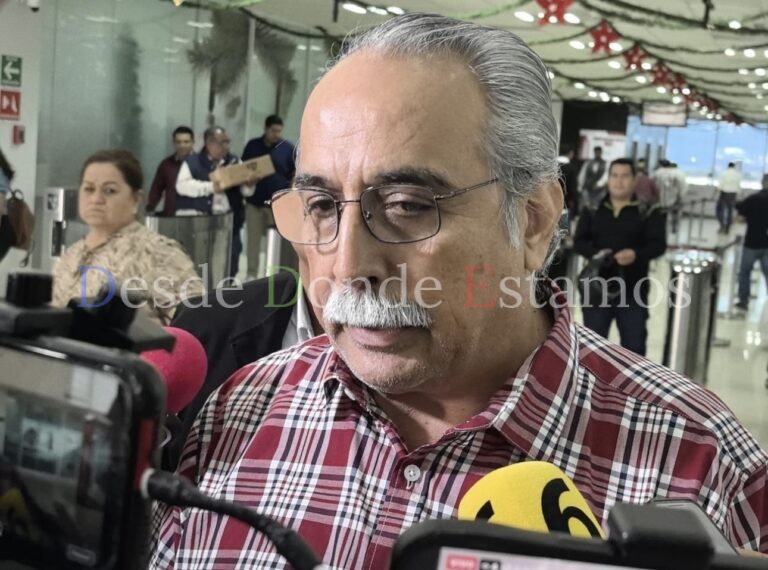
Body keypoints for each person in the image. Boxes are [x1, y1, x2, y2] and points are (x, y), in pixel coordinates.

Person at [152, 15, 768, 568]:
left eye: (407, 205)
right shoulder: (240, 411)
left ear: (533, 221)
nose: (349, 265)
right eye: (320, 205)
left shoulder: (701, 467)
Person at [52, 150, 203, 324]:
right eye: (89, 189)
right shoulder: (71, 255)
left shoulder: (156, 251)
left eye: (109, 190)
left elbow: (197, 321)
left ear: (136, 199)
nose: (96, 199)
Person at [574, 158, 666, 356]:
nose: (619, 181)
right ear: (608, 178)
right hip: (597, 289)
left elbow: (658, 245)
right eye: (614, 175)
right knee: (591, 350)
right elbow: (579, 241)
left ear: (634, 180)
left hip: (633, 289)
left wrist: (636, 255)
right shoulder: (592, 207)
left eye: (625, 176)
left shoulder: (648, 210)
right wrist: (597, 255)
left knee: (634, 348)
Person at [176, 126, 256, 278]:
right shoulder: (193, 162)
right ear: (209, 143)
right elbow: (181, 186)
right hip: (203, 221)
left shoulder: (235, 161)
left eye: (227, 142)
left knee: (230, 261)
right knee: (200, 262)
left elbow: (246, 192)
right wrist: (210, 187)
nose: (226, 146)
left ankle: (226, 289)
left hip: (230, 221)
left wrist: (249, 184)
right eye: (222, 142)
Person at [241, 115, 296, 279]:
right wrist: (247, 179)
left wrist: (291, 193)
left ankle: (273, 276)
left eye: (279, 131)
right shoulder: (253, 146)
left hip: (277, 205)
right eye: (273, 131)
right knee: (253, 242)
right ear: (266, 129)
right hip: (255, 203)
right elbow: (243, 169)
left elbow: (294, 173)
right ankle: (251, 275)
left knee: (277, 241)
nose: (276, 134)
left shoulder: (287, 148)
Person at [735, 173, 768, 311]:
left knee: (744, 273)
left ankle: (743, 302)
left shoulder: (752, 199)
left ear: (762, 182)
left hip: (751, 243)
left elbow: (739, 219)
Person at [146, 126, 195, 216]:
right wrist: (150, 207)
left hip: (196, 216)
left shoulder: (202, 164)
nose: (182, 145)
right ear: (173, 143)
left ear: (192, 142)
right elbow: (156, 189)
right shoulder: (166, 165)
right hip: (171, 216)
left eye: (186, 142)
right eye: (178, 142)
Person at [653, 159, 686, 233]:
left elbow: (652, 184)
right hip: (674, 198)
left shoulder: (657, 173)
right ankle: (674, 227)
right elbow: (682, 187)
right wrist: (680, 197)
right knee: (674, 213)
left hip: (660, 199)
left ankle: (660, 228)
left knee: (661, 214)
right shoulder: (678, 173)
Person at [577, 145, 607, 210]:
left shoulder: (605, 163)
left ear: (601, 152)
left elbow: (605, 176)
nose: (597, 153)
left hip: (599, 191)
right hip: (587, 188)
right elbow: (582, 175)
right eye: (596, 152)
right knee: (586, 208)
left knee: (597, 208)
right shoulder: (588, 163)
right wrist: (580, 187)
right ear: (594, 152)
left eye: (599, 152)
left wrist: (598, 184)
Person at [717, 161, 742, 234]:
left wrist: (718, 190)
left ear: (728, 166)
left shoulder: (724, 173)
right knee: (730, 212)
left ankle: (722, 226)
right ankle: (727, 228)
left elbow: (721, 184)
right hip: (733, 194)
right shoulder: (738, 174)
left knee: (720, 210)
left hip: (724, 193)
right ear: (734, 167)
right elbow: (738, 185)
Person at [559, 147, 579, 218]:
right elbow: (573, 189)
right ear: (570, 153)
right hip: (563, 205)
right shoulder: (571, 168)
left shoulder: (550, 166)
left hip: (547, 204)